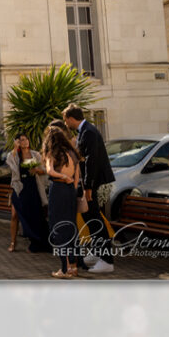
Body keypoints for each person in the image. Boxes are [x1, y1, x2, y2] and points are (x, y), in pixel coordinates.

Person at [62, 104, 115, 273]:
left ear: (71, 119)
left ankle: (107, 260)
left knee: (95, 220)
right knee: (90, 219)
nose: (66, 124)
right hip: (90, 183)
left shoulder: (89, 132)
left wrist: (89, 187)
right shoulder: (86, 131)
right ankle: (97, 253)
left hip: (94, 184)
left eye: (66, 120)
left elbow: (92, 162)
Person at [42, 122, 80, 278]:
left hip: (58, 190)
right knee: (71, 227)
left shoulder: (52, 153)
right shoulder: (72, 153)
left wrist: (62, 176)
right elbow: (77, 178)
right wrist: (71, 185)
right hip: (71, 191)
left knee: (58, 228)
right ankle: (73, 266)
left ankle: (64, 269)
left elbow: (50, 171)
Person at [8, 133, 49, 253]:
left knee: (35, 215)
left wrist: (37, 170)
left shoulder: (35, 154)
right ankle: (13, 242)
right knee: (16, 215)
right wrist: (15, 149)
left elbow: (45, 170)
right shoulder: (14, 155)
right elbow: (12, 165)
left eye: (26, 139)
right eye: (21, 140)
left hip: (33, 188)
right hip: (20, 188)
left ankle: (37, 242)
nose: (24, 142)